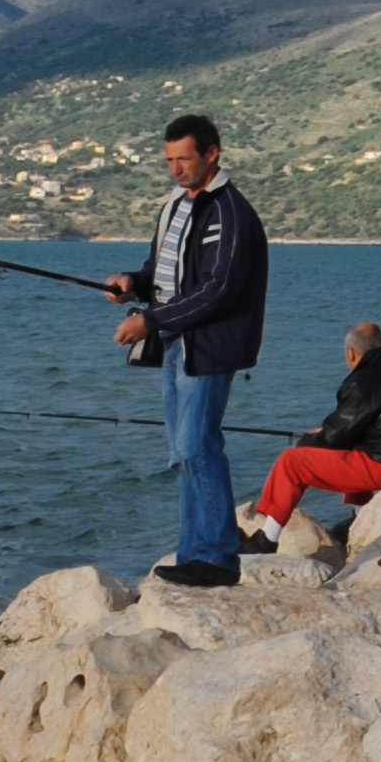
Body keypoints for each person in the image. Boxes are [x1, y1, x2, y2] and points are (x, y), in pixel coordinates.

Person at [103, 114, 268, 587]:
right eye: (169, 160)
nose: (175, 169)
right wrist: (132, 284)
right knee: (182, 452)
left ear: (212, 153)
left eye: (184, 158)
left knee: (199, 446)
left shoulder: (231, 213)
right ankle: (194, 551)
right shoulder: (176, 205)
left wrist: (149, 320)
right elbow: (162, 268)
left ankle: (217, 559)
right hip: (177, 342)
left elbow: (218, 290)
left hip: (210, 347)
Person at [242, 322, 381, 546]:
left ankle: (266, 540)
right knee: (354, 450)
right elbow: (362, 428)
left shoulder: (361, 381)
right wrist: (327, 434)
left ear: (351, 352)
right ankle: (359, 518)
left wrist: (305, 441)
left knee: (290, 462)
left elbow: (335, 438)